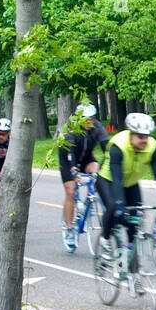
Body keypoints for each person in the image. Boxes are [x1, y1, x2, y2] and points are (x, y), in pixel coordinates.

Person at [96, 113, 156, 255]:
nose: (145, 140)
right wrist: (120, 204)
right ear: (131, 135)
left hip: (130, 183)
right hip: (108, 180)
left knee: (135, 219)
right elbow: (117, 177)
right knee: (114, 208)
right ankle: (105, 239)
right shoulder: (118, 145)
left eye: (147, 136)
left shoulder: (152, 147)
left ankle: (131, 254)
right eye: (140, 136)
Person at [58, 103, 109, 253]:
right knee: (71, 191)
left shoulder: (97, 127)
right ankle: (69, 230)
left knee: (96, 170)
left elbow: (106, 146)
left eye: (92, 118)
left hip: (86, 157)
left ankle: (91, 198)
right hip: (68, 158)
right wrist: (74, 170)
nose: (90, 122)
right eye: (87, 119)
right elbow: (70, 153)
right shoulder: (72, 128)